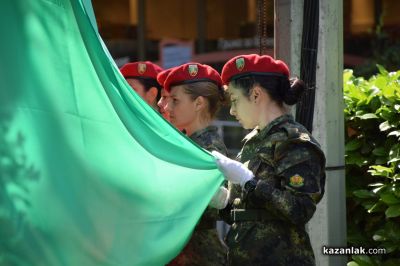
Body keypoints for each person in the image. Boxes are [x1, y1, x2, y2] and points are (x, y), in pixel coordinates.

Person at [211, 54, 326, 266]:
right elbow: (250, 215)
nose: (232, 110)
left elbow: (300, 209)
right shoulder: (253, 141)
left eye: (235, 100)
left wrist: (249, 182)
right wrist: (223, 202)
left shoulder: (294, 142)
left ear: (256, 94)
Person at [160, 62, 229, 266]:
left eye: (175, 101)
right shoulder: (189, 144)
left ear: (198, 103)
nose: (167, 107)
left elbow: (211, 209)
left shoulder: (208, 149)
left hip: (200, 254)